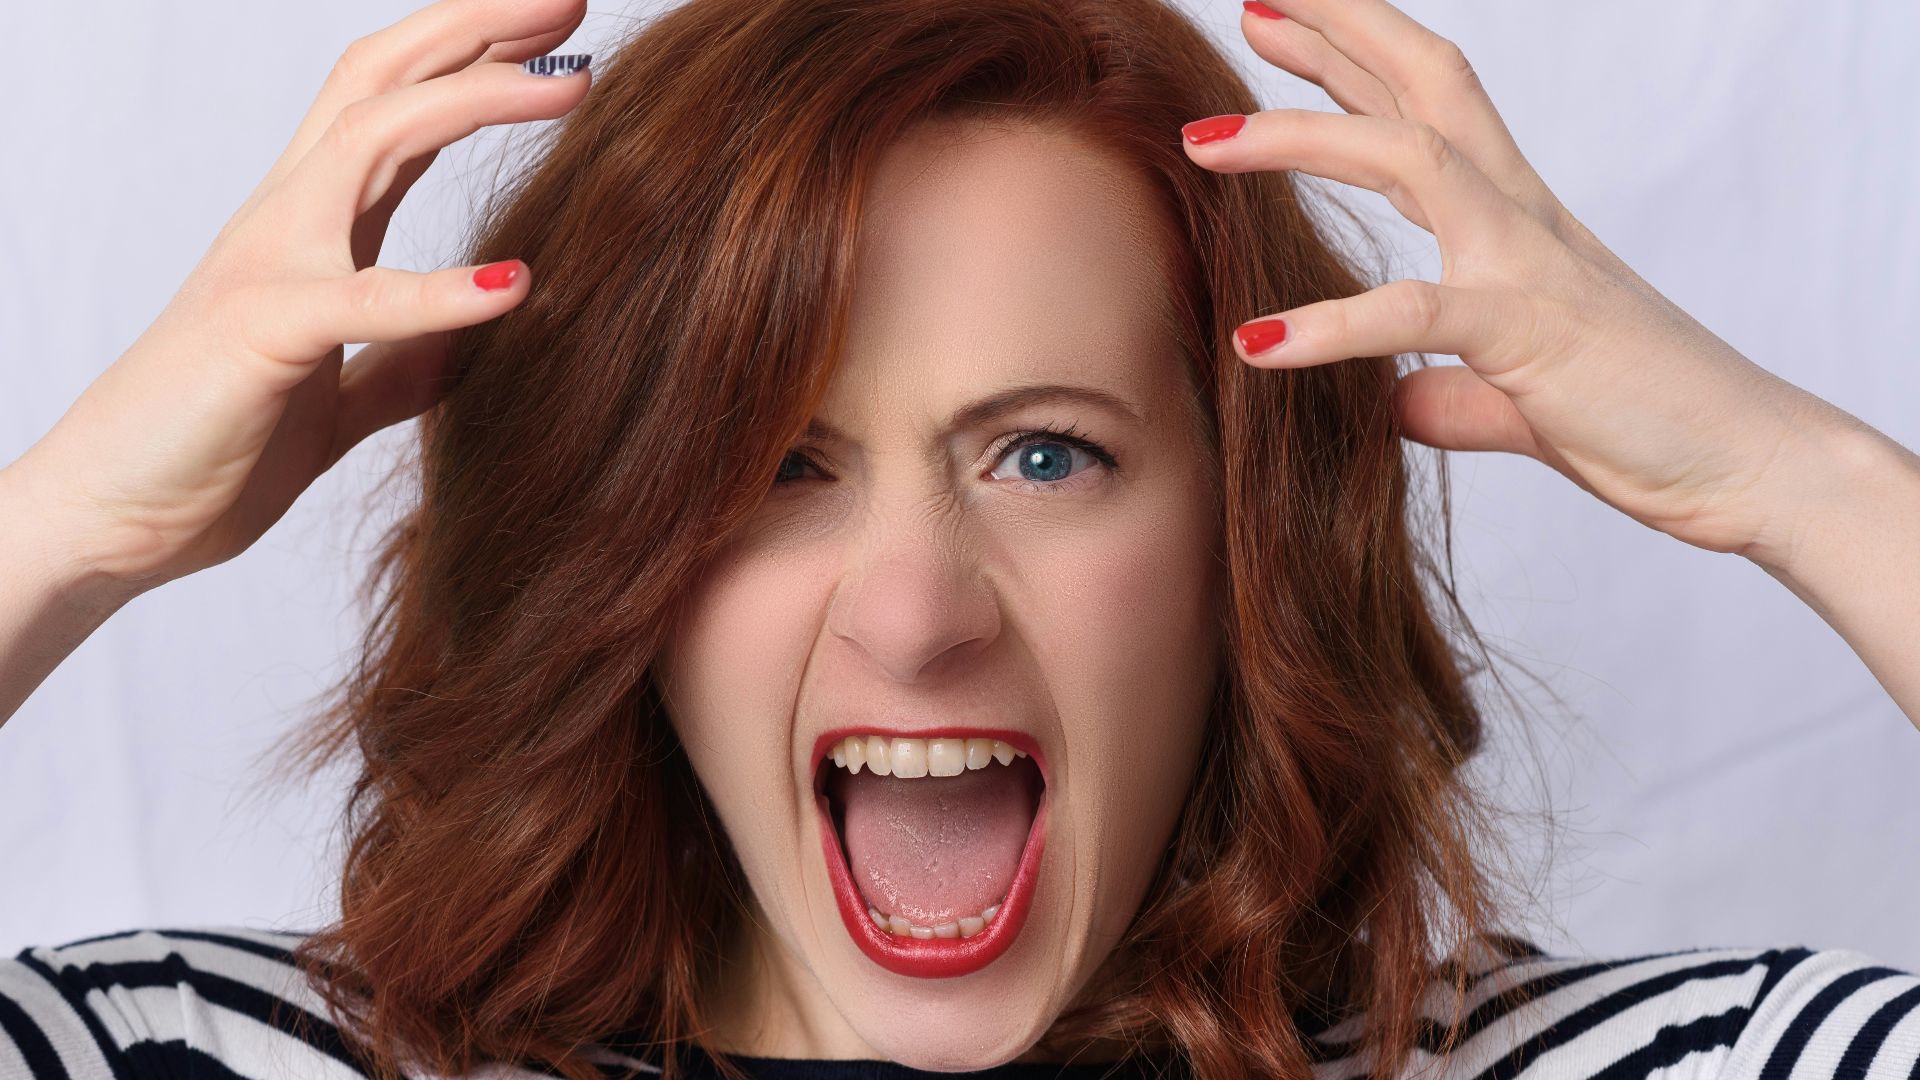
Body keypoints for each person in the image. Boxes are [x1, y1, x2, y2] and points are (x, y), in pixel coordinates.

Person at [1, 0, 1916, 1076]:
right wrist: (71, 526)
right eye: (778, 467)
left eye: (1048, 457)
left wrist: (1813, 488)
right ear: (617, 560)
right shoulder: (208, 1055)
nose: (917, 617)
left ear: (1244, 544)